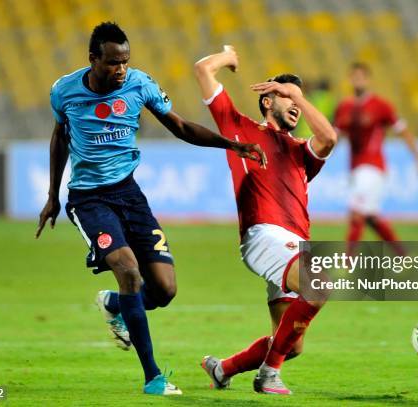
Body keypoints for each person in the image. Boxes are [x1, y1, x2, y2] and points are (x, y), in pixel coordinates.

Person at [35, 23, 265, 396]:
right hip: (89, 199)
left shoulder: (139, 84)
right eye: (112, 63)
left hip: (130, 194)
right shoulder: (64, 91)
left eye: (125, 62)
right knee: (128, 270)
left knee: (165, 289)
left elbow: (178, 126)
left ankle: (115, 305)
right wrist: (52, 195)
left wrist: (231, 145)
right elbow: (60, 136)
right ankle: (153, 377)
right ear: (93, 59)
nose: (120, 70)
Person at [193, 45, 337, 395]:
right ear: (268, 100)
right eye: (286, 96)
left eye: (297, 99)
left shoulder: (302, 153)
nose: (294, 104)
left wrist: (299, 98)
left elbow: (329, 138)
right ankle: (268, 375)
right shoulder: (239, 128)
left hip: (291, 245)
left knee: (292, 344)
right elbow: (202, 70)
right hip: (264, 235)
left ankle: (222, 369)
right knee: (319, 283)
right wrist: (229, 57)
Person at [333, 62, 418, 255]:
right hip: (354, 168)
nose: (357, 80)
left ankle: (347, 261)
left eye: (361, 77)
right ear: (350, 79)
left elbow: (404, 132)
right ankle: (402, 254)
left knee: (356, 213)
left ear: (368, 80)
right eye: (354, 77)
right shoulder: (344, 107)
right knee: (369, 217)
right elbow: (334, 137)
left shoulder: (381, 106)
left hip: (373, 167)